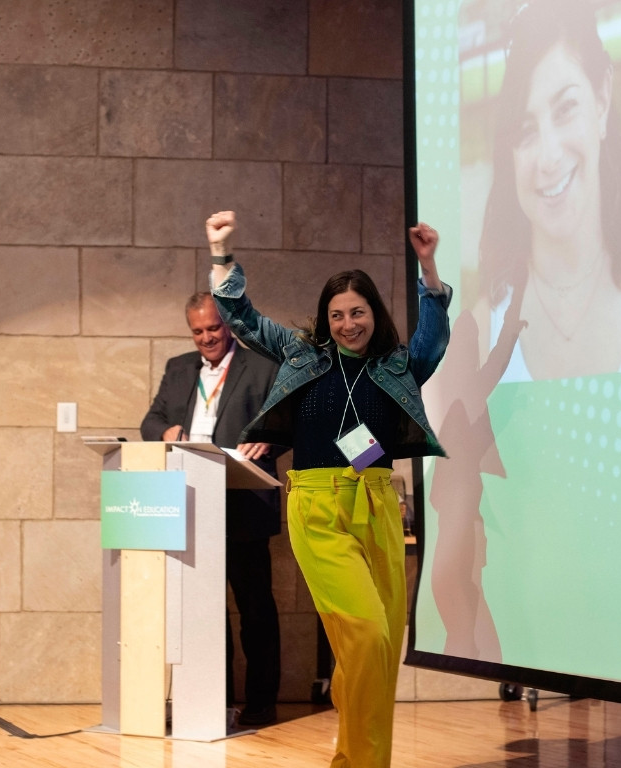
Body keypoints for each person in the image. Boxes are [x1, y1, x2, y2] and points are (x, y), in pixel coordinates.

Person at [206, 209, 451, 768]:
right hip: (317, 508)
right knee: (366, 635)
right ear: (326, 318)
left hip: (377, 504)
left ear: (374, 314)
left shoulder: (394, 365)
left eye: (358, 312)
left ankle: (357, 745)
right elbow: (242, 319)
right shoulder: (302, 356)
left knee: (379, 650)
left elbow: (432, 342)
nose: (348, 324)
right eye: (337, 314)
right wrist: (221, 254)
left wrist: (428, 268)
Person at [474, 0, 621, 381]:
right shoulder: (482, 330)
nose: (549, 157)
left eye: (566, 108)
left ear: (601, 101)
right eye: (526, 128)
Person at [140, 291, 282, 727]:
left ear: (229, 327)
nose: (206, 338)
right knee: (204, 613)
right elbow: (150, 421)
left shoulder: (260, 366)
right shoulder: (179, 368)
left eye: (213, 328)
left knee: (255, 611)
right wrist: (166, 432)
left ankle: (260, 704)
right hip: (191, 506)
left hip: (243, 503)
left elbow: (287, 420)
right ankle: (214, 701)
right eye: (198, 331)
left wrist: (270, 439)